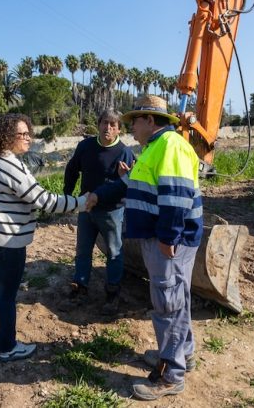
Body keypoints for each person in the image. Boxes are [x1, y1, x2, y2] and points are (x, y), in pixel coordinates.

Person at [90, 95, 203, 401]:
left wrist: (169, 238)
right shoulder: (154, 148)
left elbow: (176, 196)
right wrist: (108, 190)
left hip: (167, 241)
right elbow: (139, 186)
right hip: (159, 238)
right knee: (176, 298)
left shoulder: (171, 146)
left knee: (168, 303)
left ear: (150, 121)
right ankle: (183, 354)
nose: (131, 129)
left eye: (134, 122)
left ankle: (171, 374)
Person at [0, 113, 88, 362]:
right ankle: (8, 347)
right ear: (6, 137)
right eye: (22, 134)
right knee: (7, 294)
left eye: (28, 133)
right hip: (6, 240)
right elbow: (44, 200)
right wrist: (81, 202)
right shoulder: (9, 165)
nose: (28, 138)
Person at [62, 109, 134, 316]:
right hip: (86, 209)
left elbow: (126, 183)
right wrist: (67, 194)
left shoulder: (124, 152)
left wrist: (103, 194)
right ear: (98, 124)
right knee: (82, 250)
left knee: (114, 252)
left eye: (113, 125)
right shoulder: (85, 146)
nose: (108, 128)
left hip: (112, 211)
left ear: (119, 129)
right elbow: (72, 169)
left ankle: (112, 292)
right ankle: (80, 288)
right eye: (104, 123)